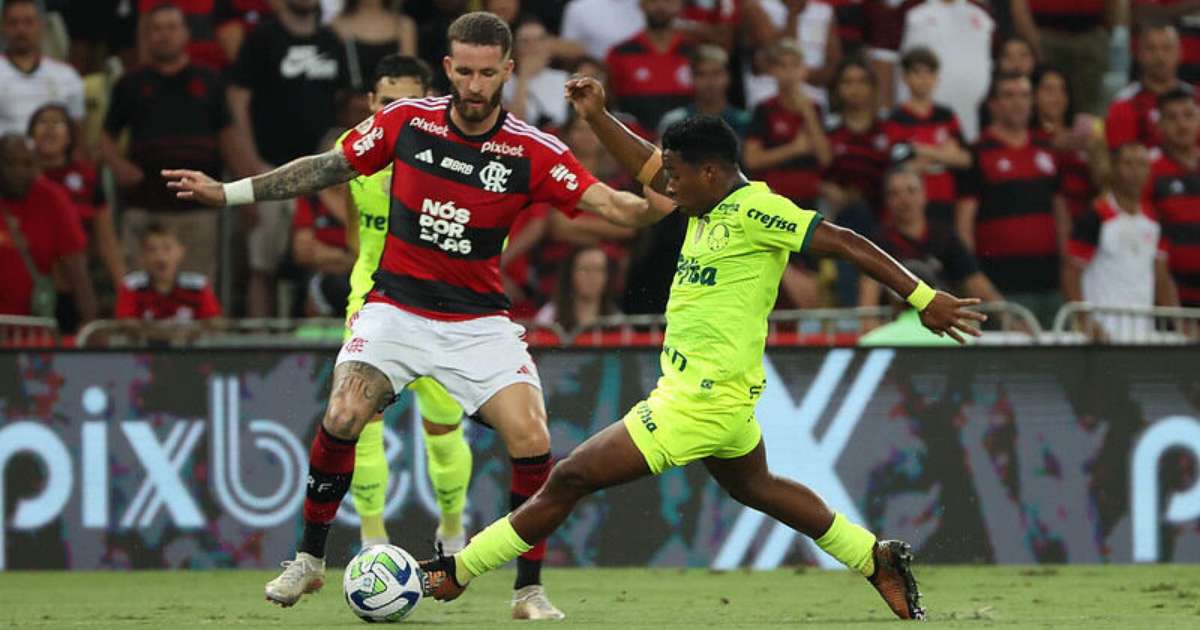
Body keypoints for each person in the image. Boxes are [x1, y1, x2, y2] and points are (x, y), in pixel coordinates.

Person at [417, 77, 987, 621]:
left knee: (570, 476)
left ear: (710, 172)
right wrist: (596, 116)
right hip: (715, 395)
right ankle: (873, 557)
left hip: (700, 401)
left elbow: (842, 241)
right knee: (755, 486)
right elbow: (649, 163)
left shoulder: (758, 211)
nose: (666, 188)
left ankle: (457, 571)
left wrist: (921, 296)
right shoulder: (703, 199)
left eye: (676, 177)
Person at [164, 11, 665, 620]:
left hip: (478, 322)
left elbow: (619, 208)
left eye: (489, 74)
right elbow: (324, 168)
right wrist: (229, 191)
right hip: (396, 309)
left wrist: (653, 182)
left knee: (533, 438)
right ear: (449, 68)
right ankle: (309, 560)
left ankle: (528, 589)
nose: (475, 86)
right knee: (345, 411)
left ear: (508, 72)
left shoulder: (532, 151)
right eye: (466, 72)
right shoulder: (404, 122)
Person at [334, 54, 478, 589]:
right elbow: (356, 233)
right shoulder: (351, 155)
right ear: (371, 105)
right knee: (361, 422)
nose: (396, 112)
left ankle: (453, 532)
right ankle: (373, 540)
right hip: (373, 305)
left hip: (444, 307)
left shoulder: (458, 158)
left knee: (442, 428)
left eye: (408, 102)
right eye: (386, 101)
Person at [101, 2, 241, 281]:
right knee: (142, 294)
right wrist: (119, 166)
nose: (164, 35)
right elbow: (105, 137)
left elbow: (228, 139)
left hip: (198, 209)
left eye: (171, 27)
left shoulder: (210, 80)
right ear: (146, 35)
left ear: (186, 33)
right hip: (144, 207)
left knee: (197, 292)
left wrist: (239, 189)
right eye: (156, 29)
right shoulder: (130, 84)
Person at [227, 0, 349, 317]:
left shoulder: (331, 40)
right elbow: (237, 99)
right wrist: (250, 161)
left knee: (320, 265)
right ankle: (262, 345)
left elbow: (345, 101)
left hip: (326, 174)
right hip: (271, 167)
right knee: (263, 265)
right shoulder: (262, 38)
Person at [956, 72, 1068, 326]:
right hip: (1001, 288)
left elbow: (1061, 215)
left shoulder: (1046, 148)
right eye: (1009, 96)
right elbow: (964, 226)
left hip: (1050, 285)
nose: (1018, 103)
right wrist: (976, 283)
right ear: (993, 104)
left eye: (1025, 96)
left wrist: (1065, 270)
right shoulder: (978, 153)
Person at [859, 169, 1005, 338]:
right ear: (886, 201)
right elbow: (867, 304)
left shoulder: (945, 237)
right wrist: (877, 337)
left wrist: (1013, 322)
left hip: (945, 331)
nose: (904, 199)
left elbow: (979, 287)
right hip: (895, 333)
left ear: (924, 195)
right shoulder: (877, 242)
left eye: (911, 191)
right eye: (894, 193)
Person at [1063, 142, 1179, 341]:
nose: (1135, 171)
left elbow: (1162, 278)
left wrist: (1179, 322)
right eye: (1128, 163)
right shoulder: (1096, 216)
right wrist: (1087, 321)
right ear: (1114, 168)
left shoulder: (1155, 221)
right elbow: (1071, 272)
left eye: (1142, 164)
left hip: (1142, 333)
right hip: (1102, 335)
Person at [28, 104, 125, 299]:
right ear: (30, 134)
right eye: (42, 122)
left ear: (71, 135)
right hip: (30, 274)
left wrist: (124, 289)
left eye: (57, 122)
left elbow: (106, 239)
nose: (49, 128)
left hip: (82, 275)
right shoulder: (18, 178)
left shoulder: (87, 176)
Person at [0, 134, 96, 324]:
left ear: (36, 165)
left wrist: (89, 326)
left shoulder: (52, 199)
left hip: (38, 324)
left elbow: (77, 270)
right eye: (10, 163)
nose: (18, 171)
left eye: (26, 164)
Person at [885, 46, 970, 228]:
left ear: (936, 78)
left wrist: (919, 150)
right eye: (917, 73)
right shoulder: (897, 117)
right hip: (910, 204)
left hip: (945, 200)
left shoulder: (946, 115)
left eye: (929, 73)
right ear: (905, 78)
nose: (923, 79)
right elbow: (900, 164)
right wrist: (945, 156)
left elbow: (965, 159)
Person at [1010, 0, 1114, 116]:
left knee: (1091, 108)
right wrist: (1034, 43)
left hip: (1091, 36)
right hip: (1046, 36)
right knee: (1047, 103)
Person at [605, 0, 696, 132]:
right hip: (634, 143)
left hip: (685, 141)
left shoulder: (692, 53)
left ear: (680, 4)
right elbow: (610, 104)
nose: (661, 6)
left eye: (668, 1)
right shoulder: (620, 54)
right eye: (653, 1)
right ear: (641, 4)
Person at [0, 0, 85, 136]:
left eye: (28, 22)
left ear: (41, 25)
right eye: (13, 23)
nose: (21, 29)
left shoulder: (67, 76)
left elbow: (78, 137)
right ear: (2, 27)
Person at [1148, 88, 1200, 306]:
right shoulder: (1148, 169)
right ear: (1159, 126)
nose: (1182, 124)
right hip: (1171, 300)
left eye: (1188, 115)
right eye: (1172, 117)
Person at [1106, 24, 1194, 150]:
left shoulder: (1195, 98)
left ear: (1180, 53)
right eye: (1151, 49)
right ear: (1139, 54)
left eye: (1167, 48)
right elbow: (1122, 159)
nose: (1160, 56)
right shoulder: (1124, 102)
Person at [115, 222, 223, 322]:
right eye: (152, 249)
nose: (160, 256)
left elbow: (214, 324)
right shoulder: (131, 286)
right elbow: (125, 324)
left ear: (180, 252)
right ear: (142, 255)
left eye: (167, 248)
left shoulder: (198, 286)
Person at [657, 44, 752, 140]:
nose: (710, 82)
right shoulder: (674, 122)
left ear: (728, 77)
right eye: (702, 74)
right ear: (692, 78)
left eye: (716, 73)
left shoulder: (746, 122)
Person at [331, 0, 417, 93]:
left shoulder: (403, 25)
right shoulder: (337, 25)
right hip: (352, 101)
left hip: (394, 101)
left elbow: (409, 75)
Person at [534, 245, 621, 333]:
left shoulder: (617, 320)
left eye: (599, 270)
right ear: (570, 273)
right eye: (585, 269)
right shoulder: (549, 316)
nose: (592, 276)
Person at [503, 18, 570, 129]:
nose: (533, 46)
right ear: (514, 48)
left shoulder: (564, 78)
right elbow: (514, 125)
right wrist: (523, 77)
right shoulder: (503, 82)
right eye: (525, 41)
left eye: (540, 39)